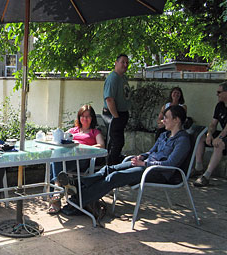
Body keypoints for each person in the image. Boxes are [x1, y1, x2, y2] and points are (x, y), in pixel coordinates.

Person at [60, 105, 190, 215]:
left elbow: (170, 164)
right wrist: (142, 156)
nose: (163, 119)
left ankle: (77, 200)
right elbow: (151, 152)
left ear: (176, 120)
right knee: (109, 169)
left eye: (166, 117)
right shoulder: (164, 135)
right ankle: (78, 185)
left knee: (115, 177)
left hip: (159, 172)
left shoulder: (182, 140)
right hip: (146, 165)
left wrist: (144, 163)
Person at [48, 105, 105, 214]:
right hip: (68, 159)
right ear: (79, 117)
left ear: (92, 118)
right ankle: (58, 187)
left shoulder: (95, 132)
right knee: (54, 159)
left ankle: (56, 196)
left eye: (88, 116)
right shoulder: (73, 130)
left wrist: (85, 148)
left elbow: (101, 145)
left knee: (54, 163)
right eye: (83, 116)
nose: (85, 119)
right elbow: (61, 139)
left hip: (82, 161)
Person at [192, 82, 227, 187]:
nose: (217, 94)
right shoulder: (219, 106)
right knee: (200, 137)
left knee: (219, 144)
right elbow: (213, 123)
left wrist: (219, 137)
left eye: (219, 92)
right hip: (223, 133)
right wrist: (209, 134)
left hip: (225, 134)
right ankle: (198, 167)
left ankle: (206, 176)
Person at [102, 54, 131, 165]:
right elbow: (109, 99)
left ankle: (114, 165)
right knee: (115, 142)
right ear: (116, 63)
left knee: (119, 142)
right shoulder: (113, 78)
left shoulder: (122, 77)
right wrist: (116, 117)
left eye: (127, 63)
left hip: (121, 114)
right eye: (122, 62)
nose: (125, 65)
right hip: (113, 115)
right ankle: (110, 168)